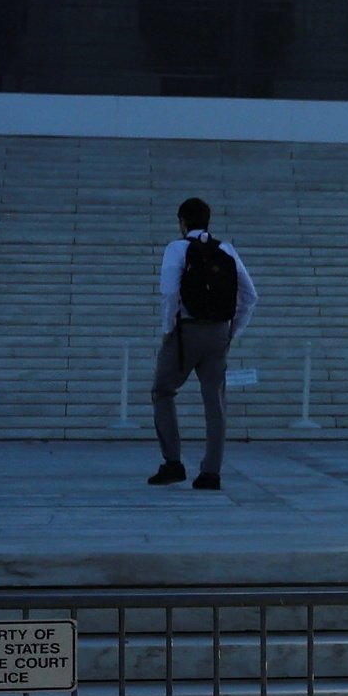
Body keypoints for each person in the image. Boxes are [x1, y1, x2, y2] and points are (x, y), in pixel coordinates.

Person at [149, 198, 254, 490]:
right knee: (215, 401)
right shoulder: (226, 250)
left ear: (182, 221)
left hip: (186, 331)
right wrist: (232, 331)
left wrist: (167, 329)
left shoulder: (177, 248)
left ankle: (173, 462)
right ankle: (211, 472)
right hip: (219, 332)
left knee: (163, 391)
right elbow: (250, 296)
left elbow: (170, 292)